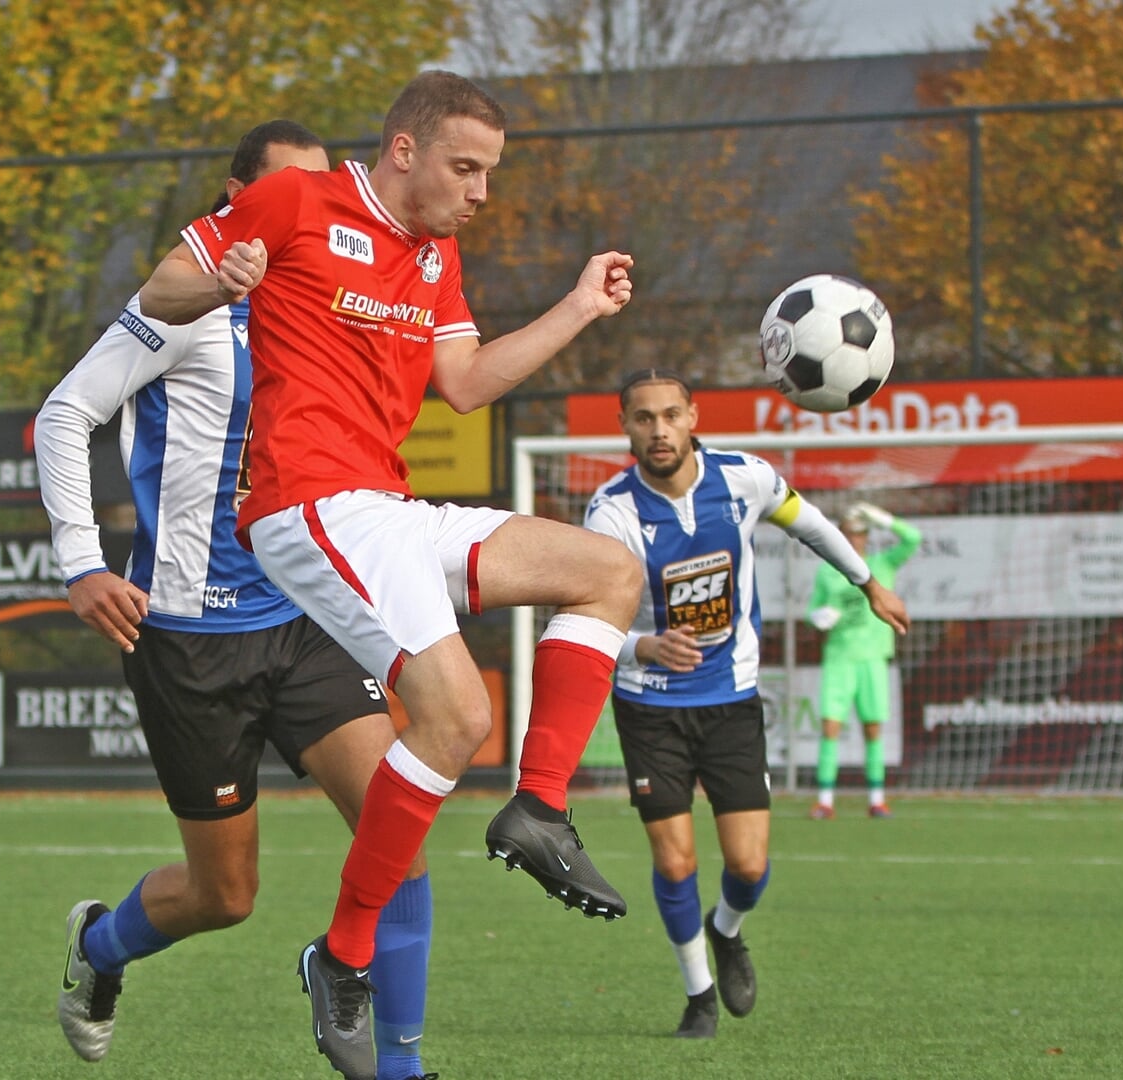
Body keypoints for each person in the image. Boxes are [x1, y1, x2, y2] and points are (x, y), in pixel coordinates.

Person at [141, 70, 641, 1079]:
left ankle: (537, 808)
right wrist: (222, 278)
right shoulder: (294, 199)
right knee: (455, 720)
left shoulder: (435, 257)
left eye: (489, 173)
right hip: (305, 505)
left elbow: (462, 386)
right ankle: (344, 953)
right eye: (466, 167)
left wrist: (578, 308)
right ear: (403, 149)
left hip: (388, 510)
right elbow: (158, 290)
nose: (480, 192)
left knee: (608, 573)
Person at [38, 121, 438, 1080]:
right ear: (235, 198)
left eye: (321, 197)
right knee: (225, 895)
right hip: (188, 638)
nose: (309, 215)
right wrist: (82, 563)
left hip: (304, 619)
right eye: (287, 195)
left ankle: (399, 1067)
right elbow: (65, 412)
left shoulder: (327, 306)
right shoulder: (183, 305)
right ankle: (99, 948)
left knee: (400, 826)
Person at [582, 369, 908, 1039]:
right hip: (649, 705)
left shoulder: (744, 480)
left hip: (730, 698)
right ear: (624, 427)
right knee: (675, 862)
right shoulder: (611, 512)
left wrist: (869, 583)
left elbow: (810, 524)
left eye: (670, 414)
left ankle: (725, 929)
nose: (659, 429)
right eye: (643, 418)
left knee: (749, 866)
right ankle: (698, 993)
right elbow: (586, 619)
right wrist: (643, 646)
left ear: (693, 416)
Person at [808, 502, 921, 819]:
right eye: (849, 534)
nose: (855, 540)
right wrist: (819, 617)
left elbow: (913, 538)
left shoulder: (882, 565)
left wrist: (885, 518)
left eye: (860, 533)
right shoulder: (827, 572)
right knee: (830, 726)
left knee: (873, 729)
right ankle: (825, 801)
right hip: (839, 659)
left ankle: (876, 800)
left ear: (867, 537)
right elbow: (811, 612)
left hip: (872, 659)